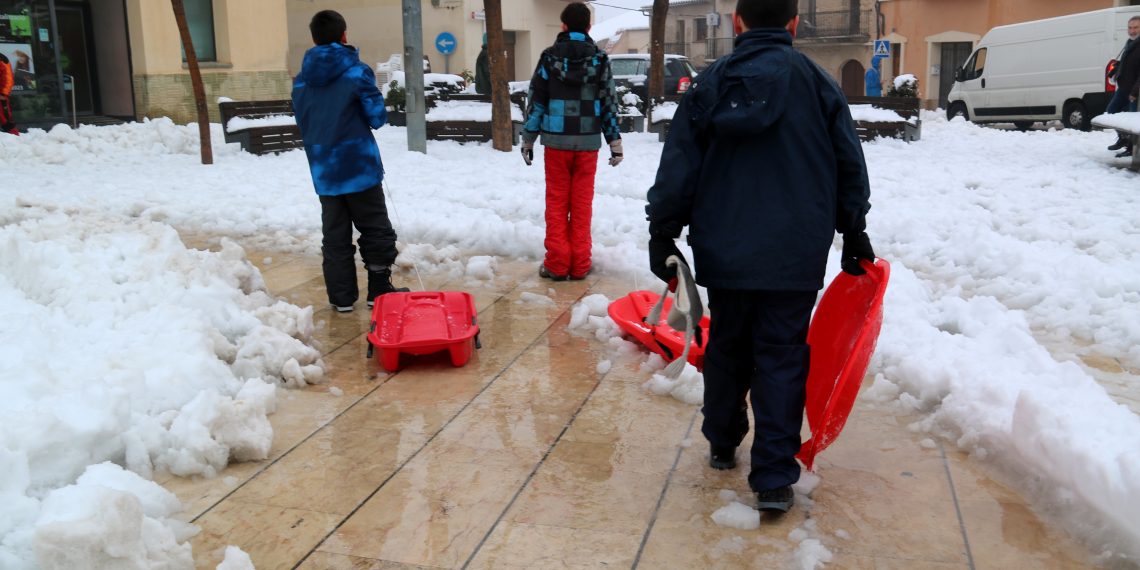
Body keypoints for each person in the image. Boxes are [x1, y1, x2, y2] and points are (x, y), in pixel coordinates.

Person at [645, 0, 874, 513]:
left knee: (727, 344)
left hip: (724, 246)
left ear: (736, 22)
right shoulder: (817, 85)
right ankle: (772, 477)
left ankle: (723, 442)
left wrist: (663, 231)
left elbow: (679, 163)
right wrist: (853, 230)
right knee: (782, 355)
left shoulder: (710, 84)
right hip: (795, 249)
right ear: (793, 24)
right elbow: (847, 164)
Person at [292, 10, 407, 313]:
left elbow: (304, 121)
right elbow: (378, 117)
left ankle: (341, 297)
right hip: (358, 167)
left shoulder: (301, 80)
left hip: (323, 169)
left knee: (335, 233)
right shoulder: (357, 72)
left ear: (314, 39)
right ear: (344, 36)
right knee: (374, 227)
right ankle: (379, 290)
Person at [521, 1, 623, 281]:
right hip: (588, 144)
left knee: (556, 203)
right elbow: (608, 103)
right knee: (581, 204)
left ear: (563, 26)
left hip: (555, 144)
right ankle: (579, 265)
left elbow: (537, 101)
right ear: (589, 27)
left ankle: (556, 264)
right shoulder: (600, 60)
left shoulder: (548, 58)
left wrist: (528, 138)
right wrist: (614, 142)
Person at [1106, 16, 1140, 156]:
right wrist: (1116, 69)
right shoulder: (1129, 44)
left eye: (1136, 27)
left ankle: (1132, 149)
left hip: (1135, 91)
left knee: (1133, 121)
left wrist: (1134, 92)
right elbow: (1129, 64)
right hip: (1124, 88)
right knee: (1111, 112)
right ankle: (1124, 139)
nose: (1132, 31)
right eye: (1130, 27)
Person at [0, 52, 17, 135]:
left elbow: (8, 78)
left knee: (5, 119)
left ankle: (15, 140)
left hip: (1, 96)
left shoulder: (2, 59)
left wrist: (4, 94)